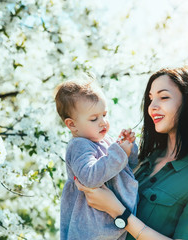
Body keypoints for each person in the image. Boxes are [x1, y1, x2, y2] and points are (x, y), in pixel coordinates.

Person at [75, 67, 188, 240]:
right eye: (150, 99)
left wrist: (118, 212)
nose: (152, 107)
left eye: (163, 97)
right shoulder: (141, 159)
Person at [54, 75, 139, 240]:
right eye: (94, 118)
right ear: (72, 124)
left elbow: (129, 168)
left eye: (105, 115)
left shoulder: (106, 141)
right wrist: (119, 153)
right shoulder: (79, 146)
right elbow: (90, 177)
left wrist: (128, 148)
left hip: (113, 222)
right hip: (89, 229)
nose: (103, 122)